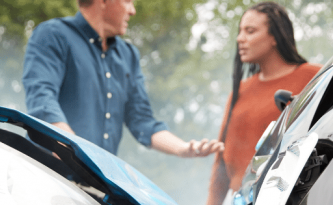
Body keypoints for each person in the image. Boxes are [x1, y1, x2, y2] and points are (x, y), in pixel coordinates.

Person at [22, 0, 223, 158]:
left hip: (93, 188)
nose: (133, 10)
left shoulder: (128, 55)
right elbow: (42, 101)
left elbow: (142, 120)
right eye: (127, 1)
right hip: (44, 175)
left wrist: (183, 148)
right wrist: (74, 152)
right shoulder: (53, 35)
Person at [204, 2, 321, 205]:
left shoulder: (312, 77)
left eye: (250, 31)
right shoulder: (241, 90)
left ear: (274, 37)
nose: (240, 39)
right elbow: (223, 152)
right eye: (240, 31)